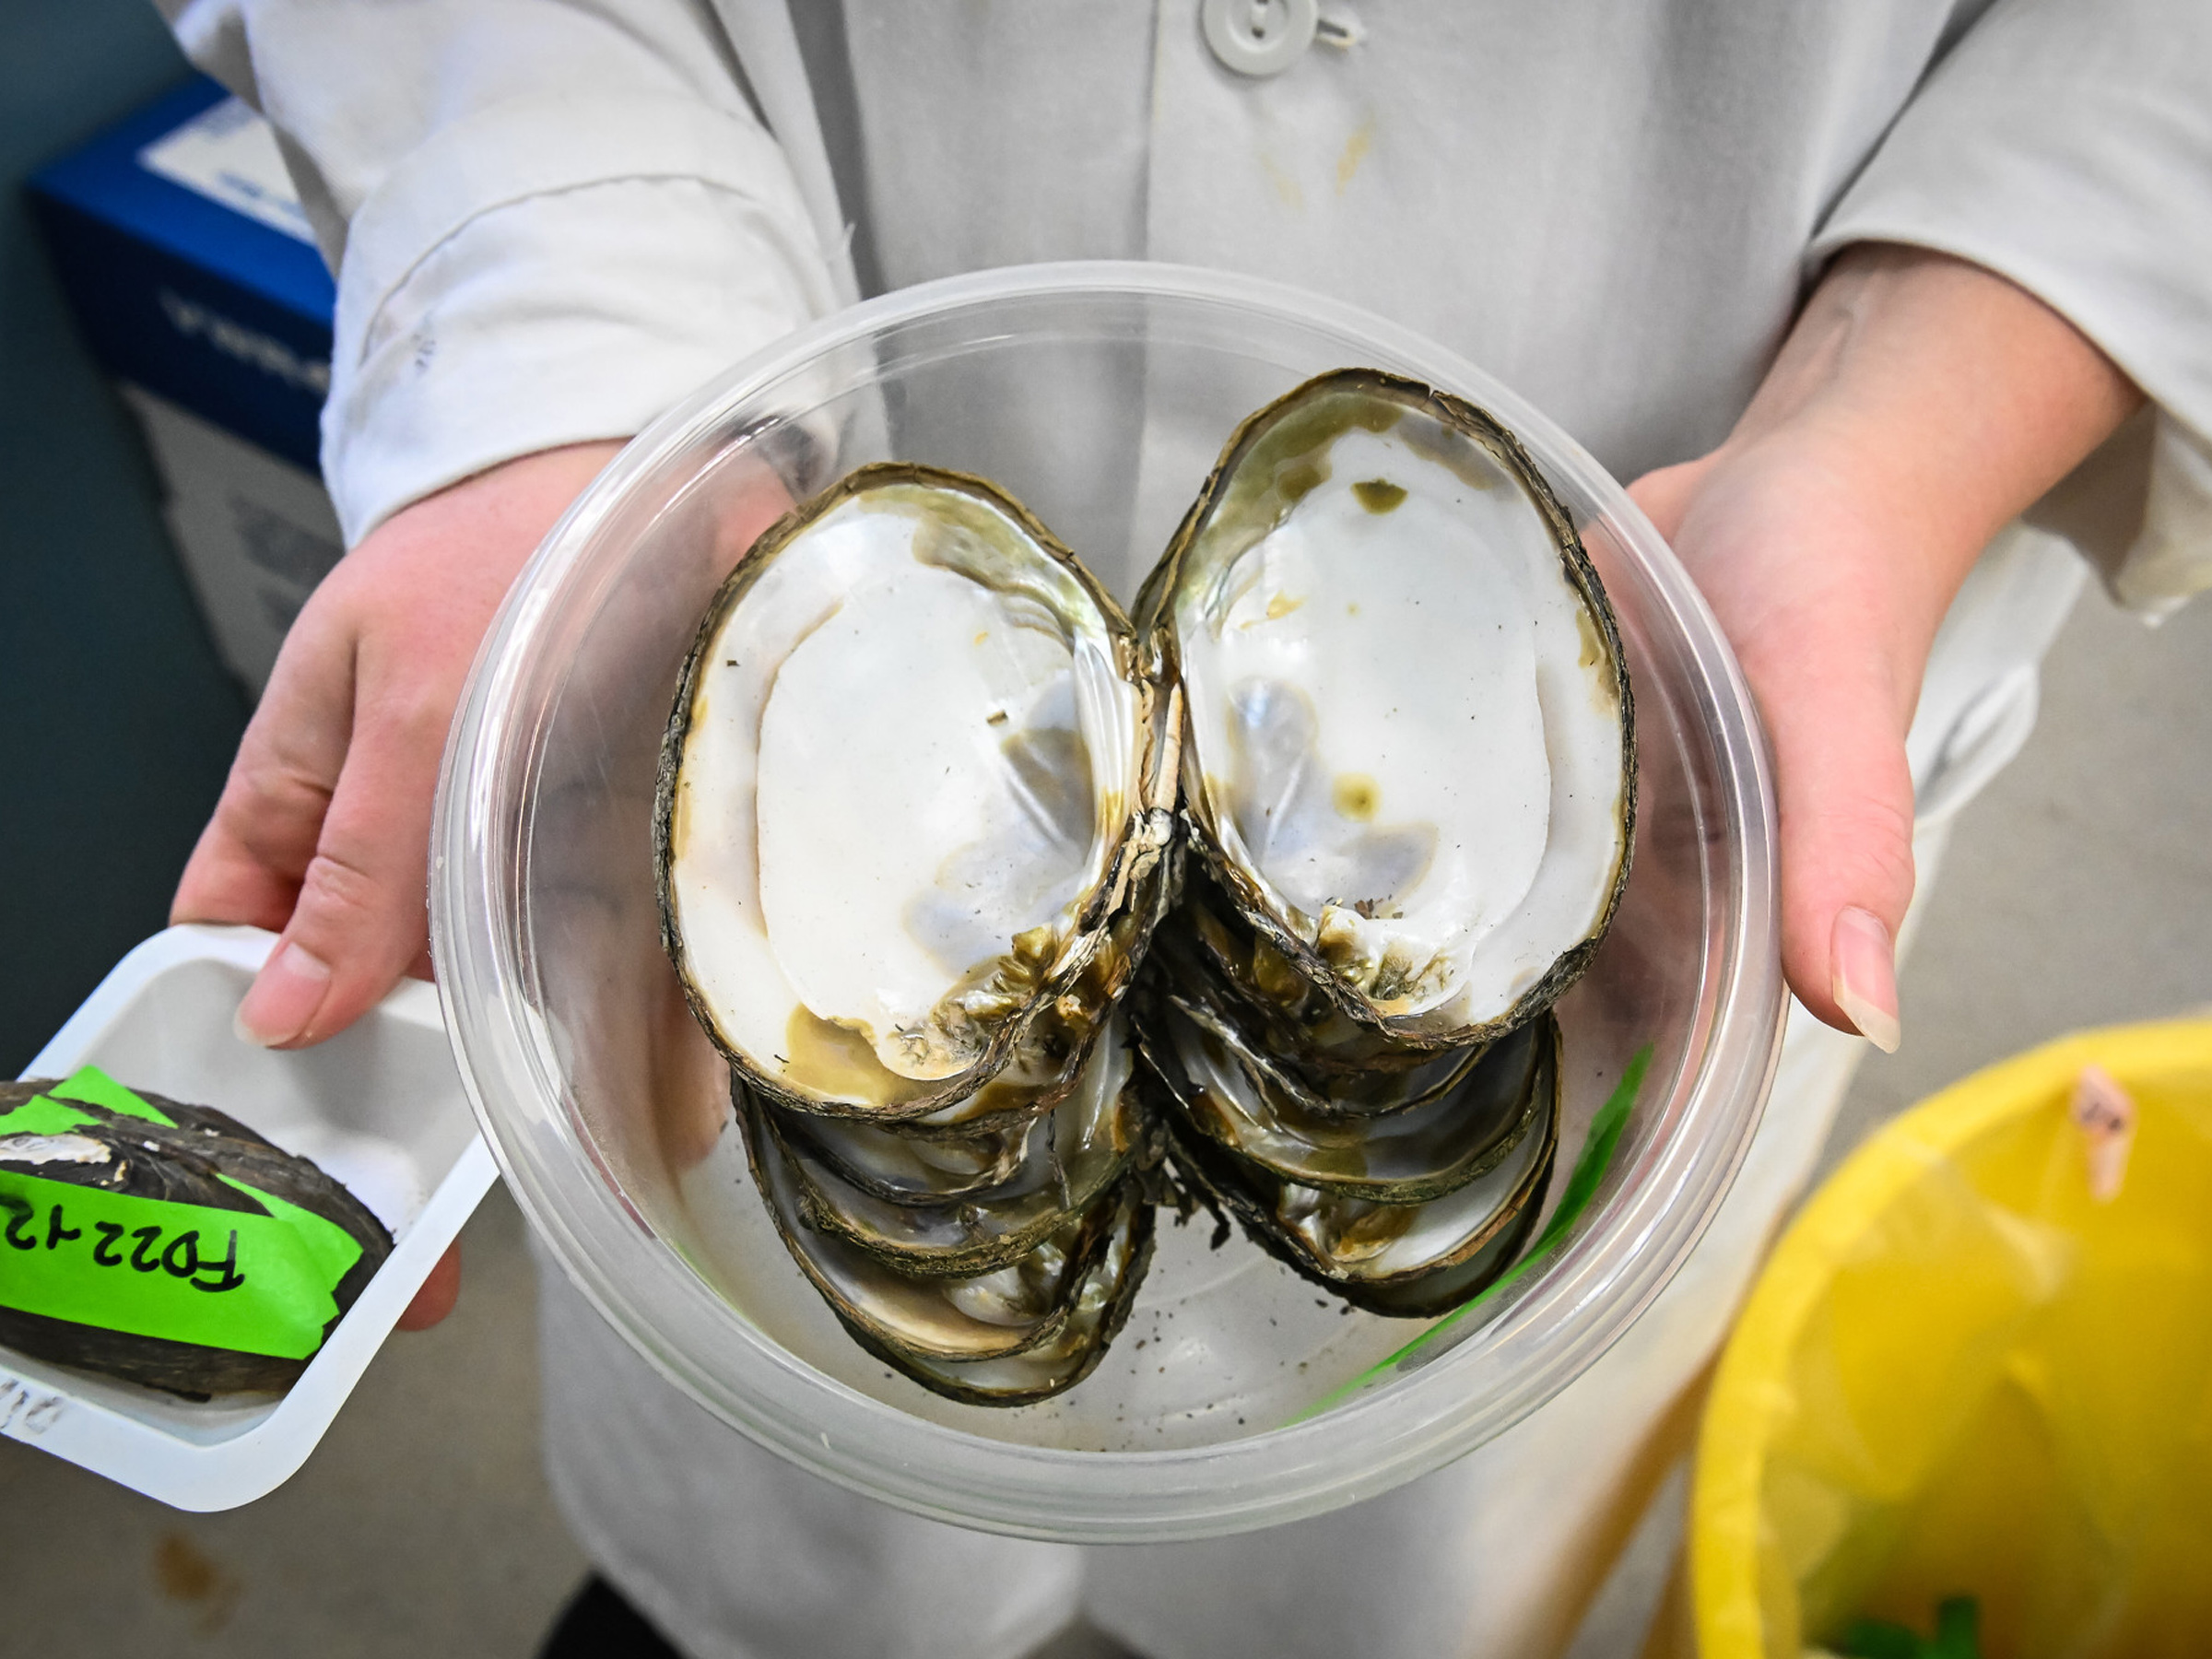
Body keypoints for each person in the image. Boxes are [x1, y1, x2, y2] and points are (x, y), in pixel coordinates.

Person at [156, 3, 2212, 1654]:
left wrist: (1885, 430)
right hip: (746, 454)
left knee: (1392, 1555)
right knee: (788, 1568)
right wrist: (567, 393)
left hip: (1680, 652)